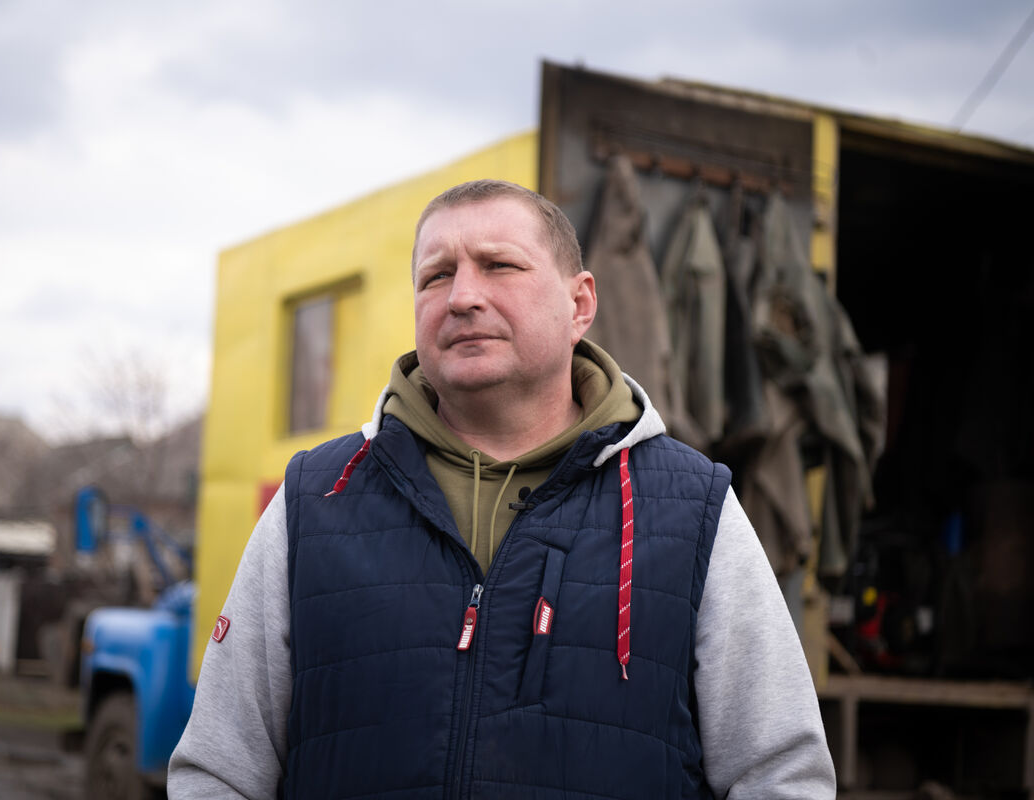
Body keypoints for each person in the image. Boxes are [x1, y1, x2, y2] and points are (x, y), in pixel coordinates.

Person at [168, 180, 836, 799]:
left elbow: (779, 774)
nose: (462, 296)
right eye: (437, 275)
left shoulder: (694, 510)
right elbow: (218, 771)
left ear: (579, 305)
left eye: (499, 266)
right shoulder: (316, 498)